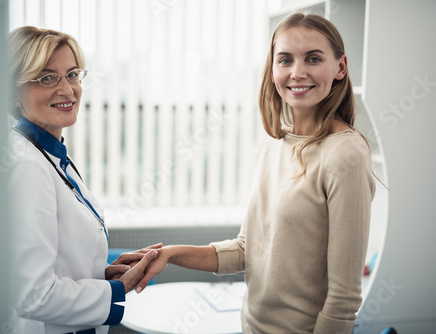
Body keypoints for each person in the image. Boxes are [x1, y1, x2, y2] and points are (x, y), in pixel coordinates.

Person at [136, 12, 376, 334]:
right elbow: (247, 251)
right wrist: (169, 254)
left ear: (340, 68)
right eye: (285, 60)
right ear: (273, 69)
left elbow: (344, 298)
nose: (297, 72)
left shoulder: (346, 154)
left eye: (313, 58)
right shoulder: (271, 145)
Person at [7, 26, 161, 334]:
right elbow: (34, 295)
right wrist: (117, 291)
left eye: (73, 74)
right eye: (47, 78)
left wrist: (100, 274)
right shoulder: (27, 165)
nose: (67, 89)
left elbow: (56, 258)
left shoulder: (50, 154)